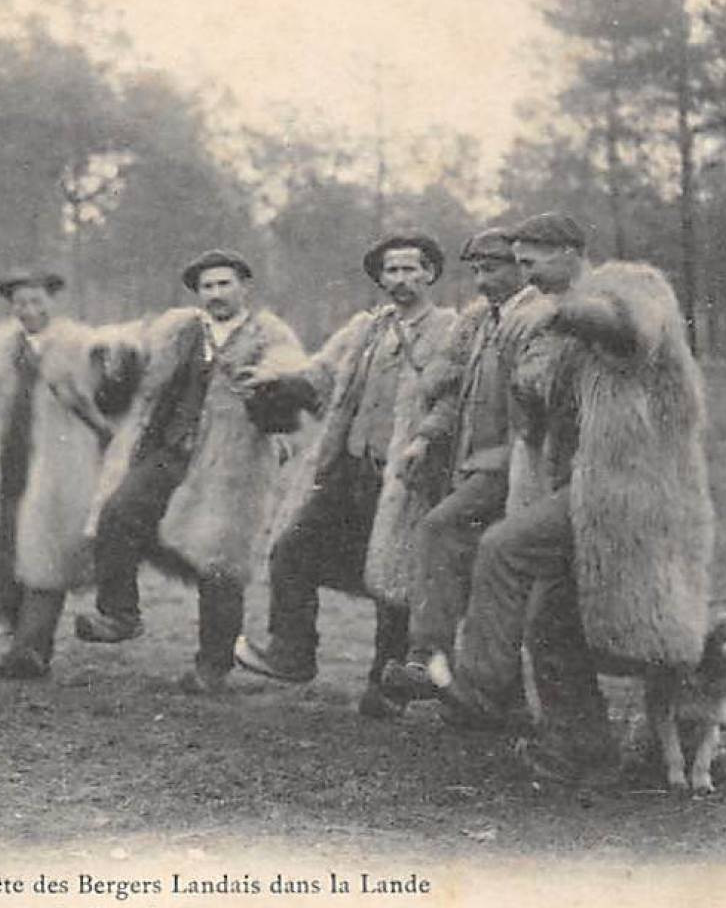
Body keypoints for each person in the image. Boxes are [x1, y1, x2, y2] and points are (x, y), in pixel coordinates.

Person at [437, 228, 714, 784]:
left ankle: (479, 690)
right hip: (584, 489)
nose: (526, 272)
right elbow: (540, 410)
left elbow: (632, 331)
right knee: (550, 624)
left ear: (568, 253)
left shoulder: (634, 286)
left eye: (531, 260)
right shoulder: (554, 318)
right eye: (516, 262)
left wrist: (556, 316)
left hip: (631, 490)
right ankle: (584, 753)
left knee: (503, 546)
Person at [234, 233, 457, 718]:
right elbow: (321, 375)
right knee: (291, 549)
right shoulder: (366, 330)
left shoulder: (450, 330)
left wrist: (426, 441)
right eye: (390, 271)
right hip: (349, 468)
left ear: (430, 274)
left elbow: (452, 398)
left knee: (392, 579)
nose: (399, 280)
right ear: (380, 278)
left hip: (405, 477)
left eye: (409, 270)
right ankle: (292, 654)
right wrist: (276, 383)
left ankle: (387, 684)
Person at [75, 249, 305, 694]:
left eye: (225, 284)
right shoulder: (180, 330)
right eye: (208, 286)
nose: (216, 294)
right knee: (118, 512)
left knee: (219, 561)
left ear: (244, 287)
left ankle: (212, 666)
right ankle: (120, 614)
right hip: (170, 450)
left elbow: (292, 382)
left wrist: (267, 386)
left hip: (230, 464)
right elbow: (136, 362)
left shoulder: (268, 335)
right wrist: (115, 356)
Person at [379, 229, 549, 700]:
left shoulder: (537, 319)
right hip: (474, 462)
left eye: (491, 268)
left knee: (439, 528)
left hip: (515, 465)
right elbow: (454, 394)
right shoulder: (480, 323)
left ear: (519, 267)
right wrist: (425, 438)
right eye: (475, 270)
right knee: (486, 579)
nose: (481, 279)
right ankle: (493, 697)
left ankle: (427, 653)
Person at [0, 267, 136, 681]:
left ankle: (31, 650)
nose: (29, 310)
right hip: (8, 459)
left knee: (47, 554)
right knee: (6, 547)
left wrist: (82, 391)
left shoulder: (79, 345)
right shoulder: (0, 348)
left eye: (36, 301)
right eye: (20, 303)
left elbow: (108, 397)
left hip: (59, 462)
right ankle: (18, 634)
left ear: (52, 301)